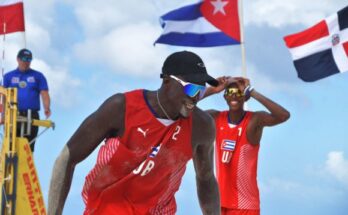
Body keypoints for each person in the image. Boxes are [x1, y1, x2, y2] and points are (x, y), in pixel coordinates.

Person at [48, 51, 221, 215]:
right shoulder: (121, 108)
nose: (195, 97)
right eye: (191, 89)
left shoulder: (202, 126)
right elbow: (66, 158)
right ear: (167, 81)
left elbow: (206, 178)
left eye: (200, 90)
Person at [204, 77, 290, 215]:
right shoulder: (215, 117)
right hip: (219, 203)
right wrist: (212, 90)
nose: (234, 95)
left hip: (245, 205)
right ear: (225, 96)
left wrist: (252, 91)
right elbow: (185, 113)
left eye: (239, 92)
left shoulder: (254, 120)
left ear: (245, 96)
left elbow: (283, 115)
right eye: (230, 91)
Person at [3, 48, 51, 152]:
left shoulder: (38, 76)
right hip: (12, 115)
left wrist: (46, 107)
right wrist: (2, 115)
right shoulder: (8, 76)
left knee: (28, 149)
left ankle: (25, 167)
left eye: (29, 59)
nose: (26, 62)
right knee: (10, 148)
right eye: (24, 59)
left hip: (31, 115)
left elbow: (44, 93)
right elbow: (3, 96)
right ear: (18, 59)